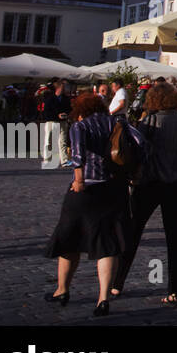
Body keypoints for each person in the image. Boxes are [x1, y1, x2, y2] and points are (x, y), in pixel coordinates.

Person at [44, 92, 144, 317]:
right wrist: (135, 173)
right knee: (107, 244)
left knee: (69, 240)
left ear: (80, 111)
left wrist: (78, 180)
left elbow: (78, 155)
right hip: (114, 189)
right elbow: (142, 143)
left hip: (86, 189)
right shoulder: (119, 122)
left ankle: (62, 290)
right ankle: (103, 298)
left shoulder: (80, 126)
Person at [112, 82, 177, 304]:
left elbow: (139, 150)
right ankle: (176, 288)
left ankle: (116, 283)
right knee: (175, 236)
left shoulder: (150, 121)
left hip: (151, 181)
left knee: (133, 231)